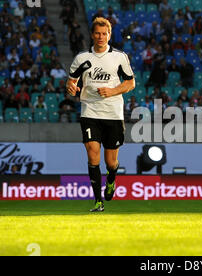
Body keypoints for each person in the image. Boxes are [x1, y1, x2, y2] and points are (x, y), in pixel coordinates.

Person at [66, 17, 135, 212]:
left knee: (110, 162)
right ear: (92, 34)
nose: (101, 37)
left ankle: (111, 179)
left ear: (109, 35)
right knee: (92, 155)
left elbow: (130, 83)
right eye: (97, 33)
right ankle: (98, 201)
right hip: (90, 111)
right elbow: (71, 82)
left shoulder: (120, 57)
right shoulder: (82, 58)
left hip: (113, 113)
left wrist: (112, 91)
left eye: (104, 34)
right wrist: (71, 88)